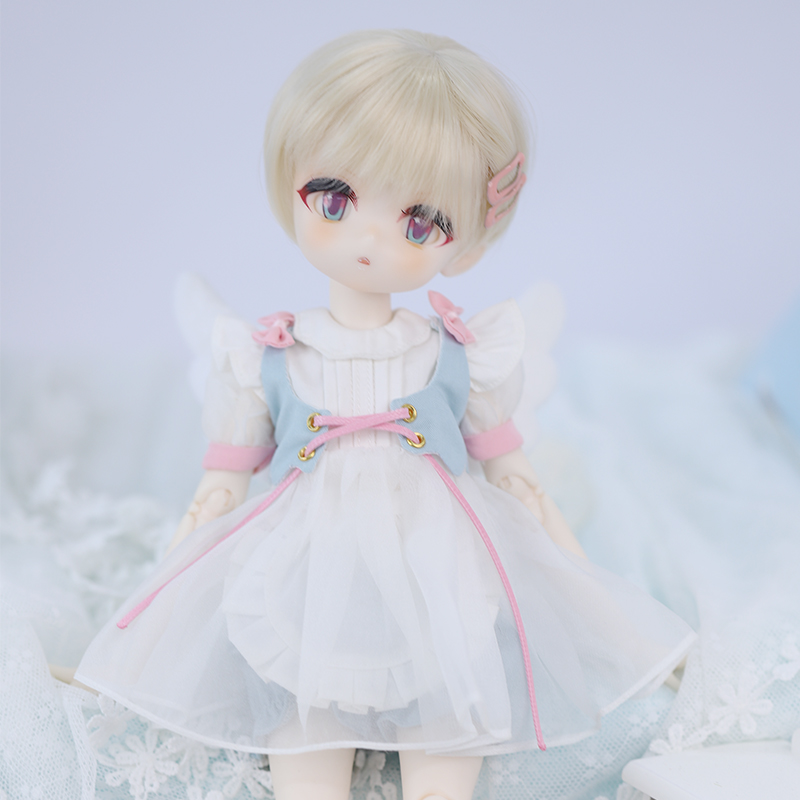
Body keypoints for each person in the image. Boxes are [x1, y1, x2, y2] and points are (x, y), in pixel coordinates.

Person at [76, 29, 694, 800]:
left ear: (467, 239)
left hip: (432, 571)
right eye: (334, 200)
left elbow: (521, 485)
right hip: (310, 573)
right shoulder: (268, 355)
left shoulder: (460, 354)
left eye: (419, 222)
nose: (368, 238)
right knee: (306, 731)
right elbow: (215, 499)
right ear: (289, 183)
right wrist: (146, 623)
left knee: (447, 726)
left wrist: (603, 611)